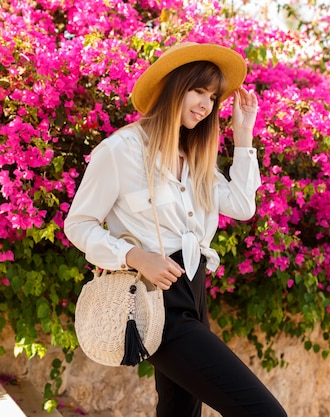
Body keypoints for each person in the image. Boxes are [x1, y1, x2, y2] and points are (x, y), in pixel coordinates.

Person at [64, 42, 287, 417]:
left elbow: (242, 206)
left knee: (180, 411)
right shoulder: (121, 151)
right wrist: (133, 255)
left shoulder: (195, 155)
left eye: (213, 97)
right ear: (173, 87)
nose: (206, 105)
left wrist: (243, 134)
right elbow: (79, 225)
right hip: (155, 295)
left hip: (195, 291)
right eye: (198, 90)